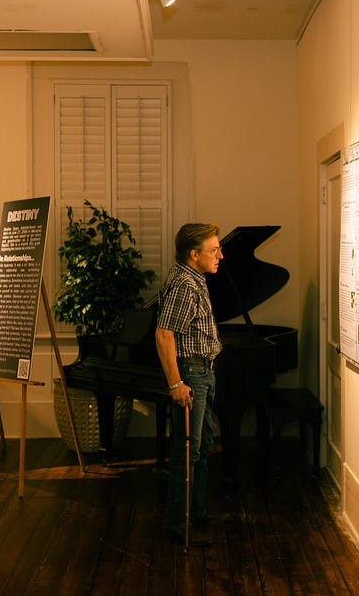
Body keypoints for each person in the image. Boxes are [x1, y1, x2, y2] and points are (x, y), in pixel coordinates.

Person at [156, 223, 231, 545]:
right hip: (192, 374)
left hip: (203, 372)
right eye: (214, 250)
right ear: (194, 254)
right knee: (189, 451)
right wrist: (176, 384)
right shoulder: (186, 285)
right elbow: (164, 334)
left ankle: (196, 514)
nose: (221, 255)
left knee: (200, 448)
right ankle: (178, 524)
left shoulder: (193, 279)